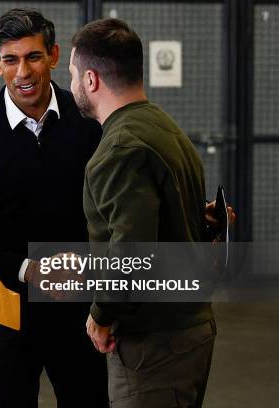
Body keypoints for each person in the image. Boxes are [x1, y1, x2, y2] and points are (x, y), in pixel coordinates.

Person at [0, 8, 109, 408]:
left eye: (33, 57)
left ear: (53, 56)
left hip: (79, 307)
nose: (23, 72)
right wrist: (27, 269)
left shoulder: (92, 122)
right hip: (5, 310)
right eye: (11, 59)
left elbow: (115, 209)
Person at [69, 18, 216, 407]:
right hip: (188, 330)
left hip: (152, 345)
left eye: (70, 75)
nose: (70, 87)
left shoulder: (120, 147)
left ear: (90, 80)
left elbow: (132, 247)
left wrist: (100, 315)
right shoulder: (165, 129)